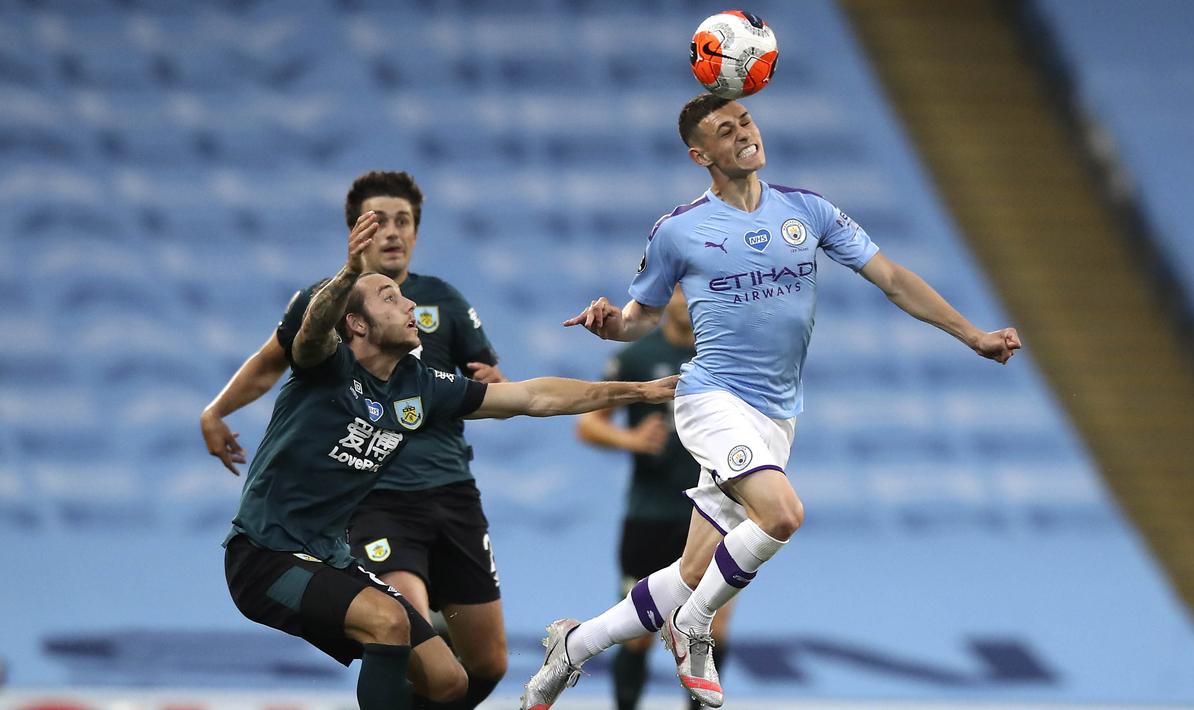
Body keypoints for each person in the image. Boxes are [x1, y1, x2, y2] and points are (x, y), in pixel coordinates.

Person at [520, 93, 1021, 710]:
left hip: (776, 416)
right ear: (700, 154)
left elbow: (891, 278)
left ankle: (574, 645)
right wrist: (609, 324)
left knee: (691, 573)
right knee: (782, 515)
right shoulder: (679, 230)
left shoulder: (807, 211)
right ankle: (693, 626)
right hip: (710, 398)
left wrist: (973, 333)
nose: (743, 135)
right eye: (725, 131)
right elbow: (638, 320)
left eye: (746, 122)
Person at [225, 213, 678, 709]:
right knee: (388, 621)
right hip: (265, 557)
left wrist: (636, 390)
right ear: (356, 323)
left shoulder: (419, 386)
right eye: (389, 299)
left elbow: (532, 397)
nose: (410, 304)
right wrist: (350, 272)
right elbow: (311, 332)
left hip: (331, 556)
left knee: (449, 682)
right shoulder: (327, 367)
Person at [201, 171, 511, 708]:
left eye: (404, 221)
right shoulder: (323, 304)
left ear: (417, 231)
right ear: (355, 232)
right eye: (378, 221)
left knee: (482, 667)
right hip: (375, 495)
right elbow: (271, 363)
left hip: (451, 488)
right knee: (394, 621)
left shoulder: (443, 303)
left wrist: (499, 385)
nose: (392, 232)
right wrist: (217, 410)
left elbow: (498, 385)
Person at [576, 286, 733, 710]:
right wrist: (630, 438)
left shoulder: (727, 356)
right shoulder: (638, 358)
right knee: (640, 632)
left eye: (696, 291)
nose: (687, 300)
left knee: (711, 633)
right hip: (650, 513)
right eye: (680, 291)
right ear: (668, 300)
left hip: (714, 513)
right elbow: (589, 425)